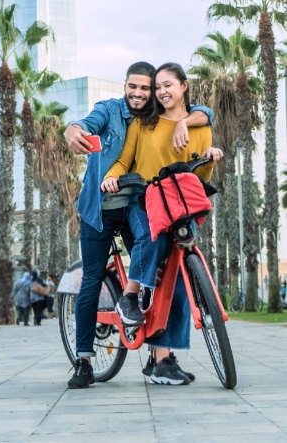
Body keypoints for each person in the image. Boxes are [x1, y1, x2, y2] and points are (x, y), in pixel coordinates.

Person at [63, 61, 214, 389]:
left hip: (138, 204)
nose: (140, 93)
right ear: (125, 86)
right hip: (100, 209)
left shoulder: (159, 117)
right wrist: (73, 129)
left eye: (147, 88)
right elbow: (88, 123)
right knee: (91, 279)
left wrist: (189, 120)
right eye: (135, 86)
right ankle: (84, 360)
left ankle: (160, 358)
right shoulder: (111, 110)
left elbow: (202, 111)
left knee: (160, 274)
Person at [102, 62, 223, 385]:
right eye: (157, 87)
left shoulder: (199, 124)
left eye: (168, 84)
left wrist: (210, 158)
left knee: (181, 280)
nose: (161, 92)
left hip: (180, 203)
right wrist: (113, 177)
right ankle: (129, 296)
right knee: (153, 241)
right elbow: (124, 159)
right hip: (145, 198)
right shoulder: (145, 123)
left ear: (184, 85)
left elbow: (199, 176)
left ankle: (163, 359)